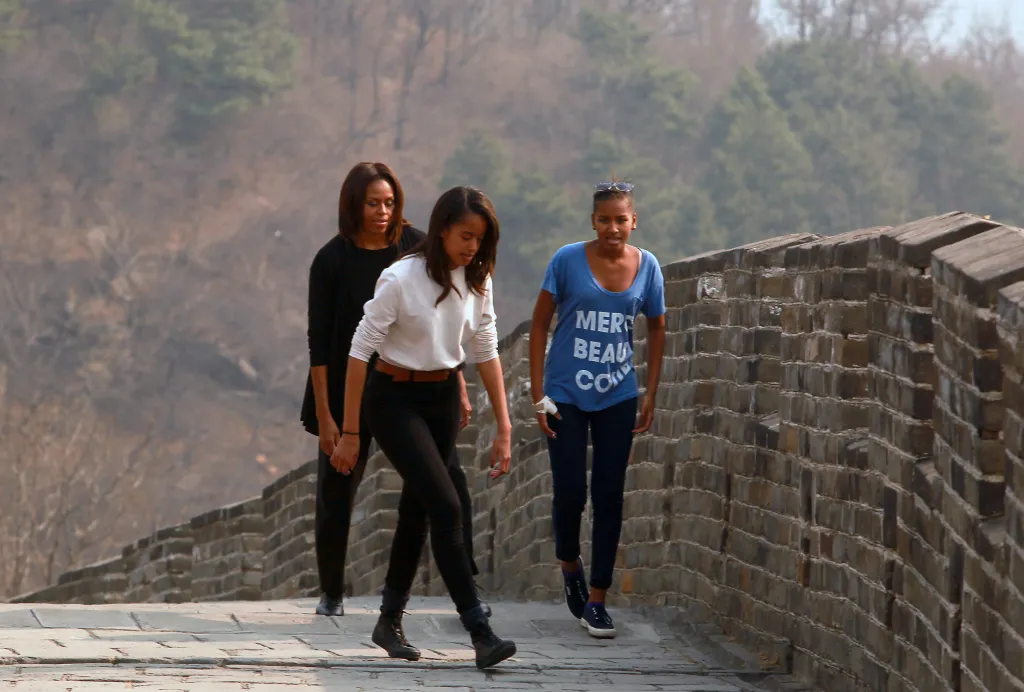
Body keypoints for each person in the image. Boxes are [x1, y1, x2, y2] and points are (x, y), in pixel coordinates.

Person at [333, 186, 517, 670]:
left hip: (441, 401)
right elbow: (358, 353)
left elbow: (486, 349)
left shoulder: (478, 279)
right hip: (393, 400)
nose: (473, 247)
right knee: (447, 501)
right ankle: (479, 630)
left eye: (481, 239)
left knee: (419, 510)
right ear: (441, 230)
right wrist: (351, 433)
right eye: (465, 236)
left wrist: (505, 425)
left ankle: (388, 620)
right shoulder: (400, 278)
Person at [300, 162, 488, 619]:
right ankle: (332, 591)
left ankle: (468, 585)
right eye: (372, 203)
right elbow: (321, 345)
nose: (382, 211)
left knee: (449, 483)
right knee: (337, 490)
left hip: (415, 388)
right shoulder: (332, 260)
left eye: (389, 202)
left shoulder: (416, 248)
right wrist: (328, 418)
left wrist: (457, 383)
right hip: (350, 385)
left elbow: (441, 322)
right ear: (353, 205)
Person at [528, 180, 666, 639]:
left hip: (618, 394)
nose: (613, 228)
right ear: (593, 221)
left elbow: (658, 326)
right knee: (570, 491)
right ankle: (570, 563)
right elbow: (540, 323)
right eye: (604, 219)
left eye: (621, 219)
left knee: (609, 494)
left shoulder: (647, 267)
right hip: (565, 392)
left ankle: (598, 599)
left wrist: (650, 392)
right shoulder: (566, 261)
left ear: (633, 221)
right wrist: (537, 393)